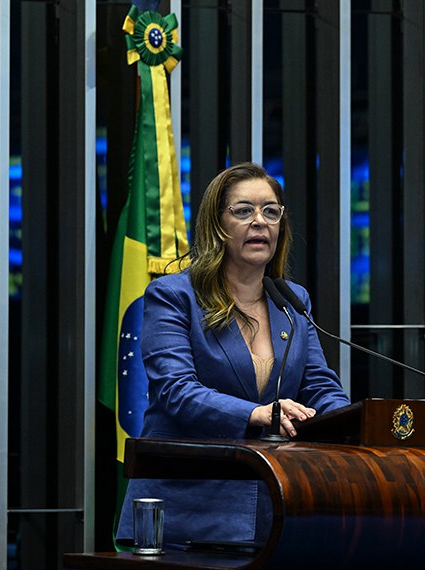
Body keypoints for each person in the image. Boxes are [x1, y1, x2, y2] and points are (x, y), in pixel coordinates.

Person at [116, 162, 351, 548]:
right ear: (217, 225)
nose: (260, 222)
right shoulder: (175, 296)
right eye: (244, 210)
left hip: (274, 508)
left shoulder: (292, 301)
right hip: (185, 513)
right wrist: (257, 413)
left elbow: (320, 384)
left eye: (271, 211)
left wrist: (346, 422)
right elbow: (176, 391)